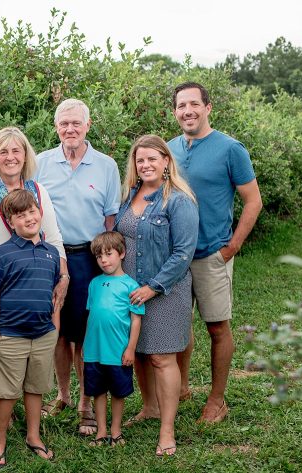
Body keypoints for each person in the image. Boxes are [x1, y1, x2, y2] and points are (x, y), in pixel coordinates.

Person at [166, 82, 261, 423]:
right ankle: (181, 387)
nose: (187, 111)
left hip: (211, 253)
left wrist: (232, 246)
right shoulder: (169, 149)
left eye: (194, 104)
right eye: (181, 106)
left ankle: (217, 399)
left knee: (217, 328)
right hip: (174, 255)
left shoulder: (231, 149)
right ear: (175, 112)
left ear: (208, 107)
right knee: (178, 326)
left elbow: (253, 200)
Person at [0, 127, 67, 430]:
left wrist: (63, 276)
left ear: (25, 155)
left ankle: (20, 401)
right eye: (3, 152)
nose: (10, 157)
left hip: (30, 279)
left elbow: (55, 235)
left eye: (16, 151)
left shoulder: (37, 191)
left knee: (27, 340)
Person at [35, 98, 121, 435]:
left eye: (76, 124)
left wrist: (106, 261)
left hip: (89, 256)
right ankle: (63, 394)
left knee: (85, 332)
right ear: (56, 127)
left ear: (87, 126)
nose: (70, 129)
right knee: (56, 330)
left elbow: (111, 218)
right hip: (50, 256)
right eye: (63, 124)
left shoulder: (105, 165)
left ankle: (87, 402)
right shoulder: (41, 163)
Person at [115, 135, 198, 456]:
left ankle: (167, 429)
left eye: (152, 159)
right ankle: (149, 407)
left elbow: (183, 253)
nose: (145, 165)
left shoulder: (178, 200)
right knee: (141, 352)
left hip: (165, 290)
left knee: (163, 357)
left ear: (166, 162)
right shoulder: (130, 195)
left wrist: (153, 287)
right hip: (131, 290)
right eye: (140, 160)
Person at [0, 189, 62, 466]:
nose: (29, 218)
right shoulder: (3, 255)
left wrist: (54, 330)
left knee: (35, 387)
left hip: (43, 335)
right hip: (11, 334)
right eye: (21, 214)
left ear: (40, 213)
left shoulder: (51, 253)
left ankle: (33, 436)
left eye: (32, 211)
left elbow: (54, 296)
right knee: (7, 392)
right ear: (10, 221)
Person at [83, 231, 144, 447]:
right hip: (94, 351)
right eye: (99, 256)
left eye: (108, 254)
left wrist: (131, 349)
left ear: (122, 253)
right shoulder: (94, 284)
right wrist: (85, 346)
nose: (104, 260)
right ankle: (101, 432)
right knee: (98, 391)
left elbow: (136, 321)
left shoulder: (131, 286)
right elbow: (93, 316)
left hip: (118, 351)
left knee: (118, 393)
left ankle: (116, 431)